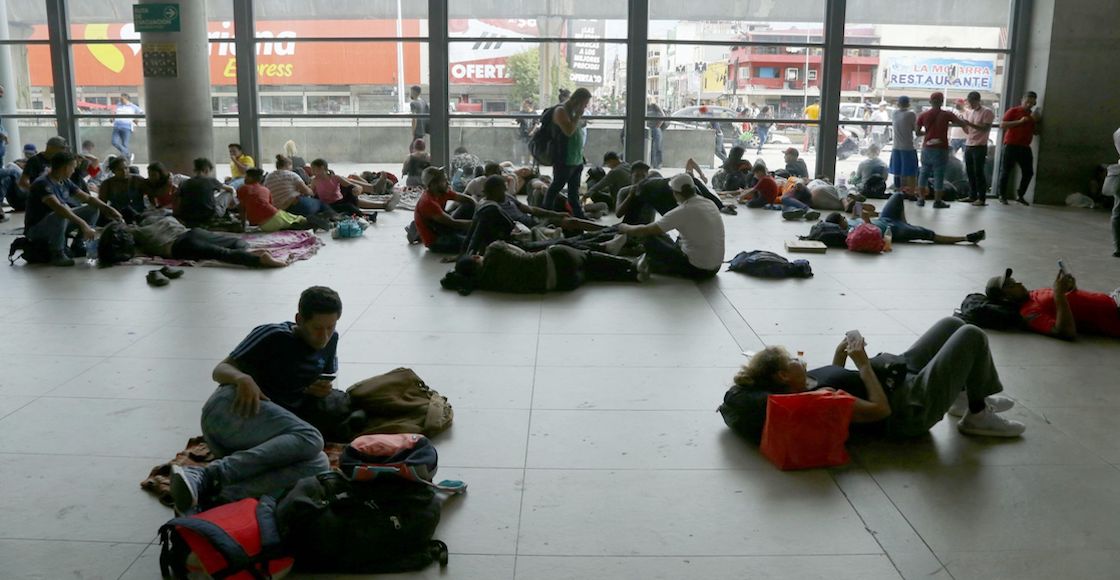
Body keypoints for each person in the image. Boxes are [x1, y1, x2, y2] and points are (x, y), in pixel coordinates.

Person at [168, 287, 350, 514]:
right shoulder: (272, 335)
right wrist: (242, 378)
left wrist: (317, 389)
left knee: (318, 464)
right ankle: (205, 475)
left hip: (258, 439)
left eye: (330, 327)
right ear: (299, 320)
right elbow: (219, 370)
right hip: (229, 410)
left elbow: (322, 380)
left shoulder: (330, 341)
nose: (323, 336)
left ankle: (216, 499)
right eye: (317, 328)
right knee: (311, 437)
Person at [720, 317, 1025, 441]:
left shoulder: (802, 383)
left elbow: (838, 378)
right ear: (783, 375)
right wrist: (863, 363)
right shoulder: (817, 401)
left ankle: (961, 396)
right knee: (971, 335)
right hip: (908, 405)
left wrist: (842, 354)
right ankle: (976, 414)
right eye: (792, 360)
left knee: (952, 323)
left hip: (893, 376)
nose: (799, 359)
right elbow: (880, 411)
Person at [440, 239, 647, 295]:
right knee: (588, 257)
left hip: (562, 285)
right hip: (556, 260)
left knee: (591, 273)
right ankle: (630, 264)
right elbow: (522, 252)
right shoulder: (494, 249)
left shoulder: (484, 284)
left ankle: (632, 277)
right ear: (477, 257)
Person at [617, 173, 725, 280]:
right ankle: (651, 262)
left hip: (698, 269)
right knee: (661, 233)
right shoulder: (709, 203)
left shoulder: (682, 210)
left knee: (648, 237)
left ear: (675, 193)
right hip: (715, 267)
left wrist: (624, 227)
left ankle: (650, 265)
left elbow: (644, 230)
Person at [25, 151, 123, 266]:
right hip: (37, 230)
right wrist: (83, 224)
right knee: (61, 213)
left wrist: (108, 209)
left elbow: (87, 198)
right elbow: (58, 208)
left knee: (92, 208)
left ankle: (79, 244)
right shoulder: (42, 183)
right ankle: (57, 253)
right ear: (65, 167)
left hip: (59, 224)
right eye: (73, 167)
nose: (74, 170)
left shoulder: (64, 181)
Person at [98, 214, 288, 269]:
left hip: (181, 246)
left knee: (223, 255)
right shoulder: (153, 222)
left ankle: (258, 260)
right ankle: (251, 253)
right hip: (192, 233)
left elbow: (131, 253)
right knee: (233, 243)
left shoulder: (137, 238)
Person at [984, 268, 1120, 339]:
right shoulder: (1029, 312)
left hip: (1112, 298)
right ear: (1005, 298)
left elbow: (1073, 301)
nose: (1018, 283)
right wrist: (1059, 294)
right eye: (1011, 285)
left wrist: (1070, 288)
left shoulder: (1033, 294)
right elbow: (1066, 332)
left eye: (1014, 280)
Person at [826, 192, 985, 245]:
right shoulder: (851, 233)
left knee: (898, 195)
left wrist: (858, 205)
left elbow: (855, 213)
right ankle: (965, 238)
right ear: (840, 224)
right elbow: (873, 235)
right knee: (927, 234)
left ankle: (905, 221)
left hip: (886, 219)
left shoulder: (851, 222)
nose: (846, 219)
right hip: (892, 230)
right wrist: (867, 221)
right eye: (843, 219)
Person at [616, 161, 737, 223]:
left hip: (651, 224)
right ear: (630, 176)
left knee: (691, 180)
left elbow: (664, 190)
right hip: (634, 225)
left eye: (643, 176)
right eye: (637, 176)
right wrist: (631, 195)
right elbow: (618, 214)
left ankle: (719, 207)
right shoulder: (624, 191)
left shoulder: (652, 185)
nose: (640, 179)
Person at [915, 92, 973, 208]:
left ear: (930, 102)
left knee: (924, 173)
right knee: (939, 175)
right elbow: (961, 123)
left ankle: (921, 199)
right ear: (941, 102)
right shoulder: (947, 114)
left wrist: (928, 133)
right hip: (941, 148)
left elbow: (917, 132)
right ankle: (937, 201)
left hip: (927, 147)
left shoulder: (923, 115)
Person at [543, 88, 592, 218]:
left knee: (574, 192)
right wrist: (578, 116)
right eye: (584, 103)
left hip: (576, 158)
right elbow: (568, 131)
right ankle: (545, 212)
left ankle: (579, 216)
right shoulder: (561, 111)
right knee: (556, 186)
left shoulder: (572, 111)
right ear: (577, 100)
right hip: (564, 158)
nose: (585, 106)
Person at [237, 168, 326, 232]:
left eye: (246, 176)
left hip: (265, 225)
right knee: (297, 219)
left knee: (292, 224)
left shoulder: (243, 188)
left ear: (250, 178)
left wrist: (243, 225)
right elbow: (271, 206)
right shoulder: (265, 190)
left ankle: (307, 225)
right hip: (275, 215)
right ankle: (316, 222)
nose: (244, 179)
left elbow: (242, 208)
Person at [413, 166, 475, 254]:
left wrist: (478, 208)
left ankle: (462, 235)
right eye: (444, 180)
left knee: (468, 205)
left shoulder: (442, 191)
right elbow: (454, 223)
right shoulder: (428, 202)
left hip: (443, 227)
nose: (448, 183)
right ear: (433, 184)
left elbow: (468, 200)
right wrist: (478, 223)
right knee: (474, 244)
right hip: (436, 240)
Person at [997, 91, 1041, 205]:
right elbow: (1003, 125)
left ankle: (1020, 194)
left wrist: (1035, 122)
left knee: (1028, 172)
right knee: (1006, 171)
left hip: (1025, 146)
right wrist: (1020, 121)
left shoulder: (1032, 115)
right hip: (1011, 144)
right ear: (1022, 100)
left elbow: (1035, 132)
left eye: (1032, 103)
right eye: (1027, 102)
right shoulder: (1014, 111)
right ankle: (1002, 195)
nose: (1029, 104)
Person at [265, 155, 335, 219]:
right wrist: (311, 189)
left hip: (280, 212)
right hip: (296, 205)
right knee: (320, 203)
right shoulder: (291, 175)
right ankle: (335, 216)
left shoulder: (268, 177)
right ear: (289, 165)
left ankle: (311, 219)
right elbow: (308, 192)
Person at [175, 158, 236, 228]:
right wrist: (234, 201)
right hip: (209, 216)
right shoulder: (211, 181)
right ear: (206, 169)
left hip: (188, 216)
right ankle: (226, 213)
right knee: (228, 193)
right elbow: (231, 189)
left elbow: (178, 200)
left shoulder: (184, 182)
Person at [961, 91, 996, 206]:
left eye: (972, 102)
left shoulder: (987, 112)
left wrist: (969, 124)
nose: (970, 104)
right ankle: (972, 195)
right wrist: (964, 125)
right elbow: (969, 131)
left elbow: (985, 128)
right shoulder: (970, 113)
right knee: (969, 171)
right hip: (969, 144)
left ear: (978, 101)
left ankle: (982, 198)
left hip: (980, 146)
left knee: (979, 172)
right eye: (969, 102)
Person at [96, 156, 147, 222]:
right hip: (118, 215)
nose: (124, 171)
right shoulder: (107, 184)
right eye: (120, 170)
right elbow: (102, 205)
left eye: (126, 168)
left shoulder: (138, 180)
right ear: (114, 171)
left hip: (139, 214)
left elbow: (152, 194)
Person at [889, 96, 918, 194]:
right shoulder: (911, 114)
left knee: (897, 171)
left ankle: (898, 191)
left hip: (896, 147)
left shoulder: (894, 113)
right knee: (911, 172)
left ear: (898, 103)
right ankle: (911, 193)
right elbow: (915, 129)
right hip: (908, 147)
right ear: (909, 104)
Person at [111, 93, 143, 161]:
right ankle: (128, 154)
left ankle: (125, 161)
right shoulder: (118, 105)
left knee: (124, 144)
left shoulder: (132, 106)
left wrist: (135, 119)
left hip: (126, 127)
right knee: (114, 142)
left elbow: (141, 112)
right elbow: (114, 113)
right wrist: (112, 118)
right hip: (117, 126)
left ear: (126, 99)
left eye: (122, 99)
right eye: (120, 99)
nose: (121, 100)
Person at [515, 99, 537, 165]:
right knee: (523, 148)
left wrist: (533, 131)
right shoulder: (521, 112)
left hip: (531, 133)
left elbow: (535, 123)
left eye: (525, 104)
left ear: (529, 105)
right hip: (523, 133)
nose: (524, 105)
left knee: (530, 148)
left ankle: (529, 161)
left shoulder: (534, 113)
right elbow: (517, 121)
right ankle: (524, 162)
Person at [409, 85, 430, 150]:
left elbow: (414, 118)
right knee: (419, 147)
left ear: (414, 92)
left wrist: (413, 131)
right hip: (423, 129)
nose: (410, 93)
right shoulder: (423, 102)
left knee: (412, 148)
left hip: (417, 130)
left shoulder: (413, 103)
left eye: (411, 92)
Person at [647, 101, 666, 169]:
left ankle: (656, 164)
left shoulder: (654, 108)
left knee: (656, 147)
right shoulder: (648, 108)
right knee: (653, 148)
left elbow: (663, 116)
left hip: (654, 129)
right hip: (651, 129)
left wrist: (658, 125)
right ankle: (653, 164)